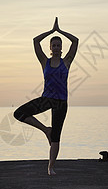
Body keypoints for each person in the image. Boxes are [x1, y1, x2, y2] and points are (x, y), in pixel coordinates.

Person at [14, 17, 79, 175]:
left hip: (61, 102)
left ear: (61, 48)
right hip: (46, 99)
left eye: (58, 45)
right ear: (50, 47)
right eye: (54, 45)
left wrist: (60, 31)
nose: (56, 48)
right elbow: (35, 41)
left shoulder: (67, 61)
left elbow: (75, 41)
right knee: (19, 113)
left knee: (56, 136)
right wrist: (51, 31)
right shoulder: (45, 62)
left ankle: (50, 167)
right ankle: (45, 130)